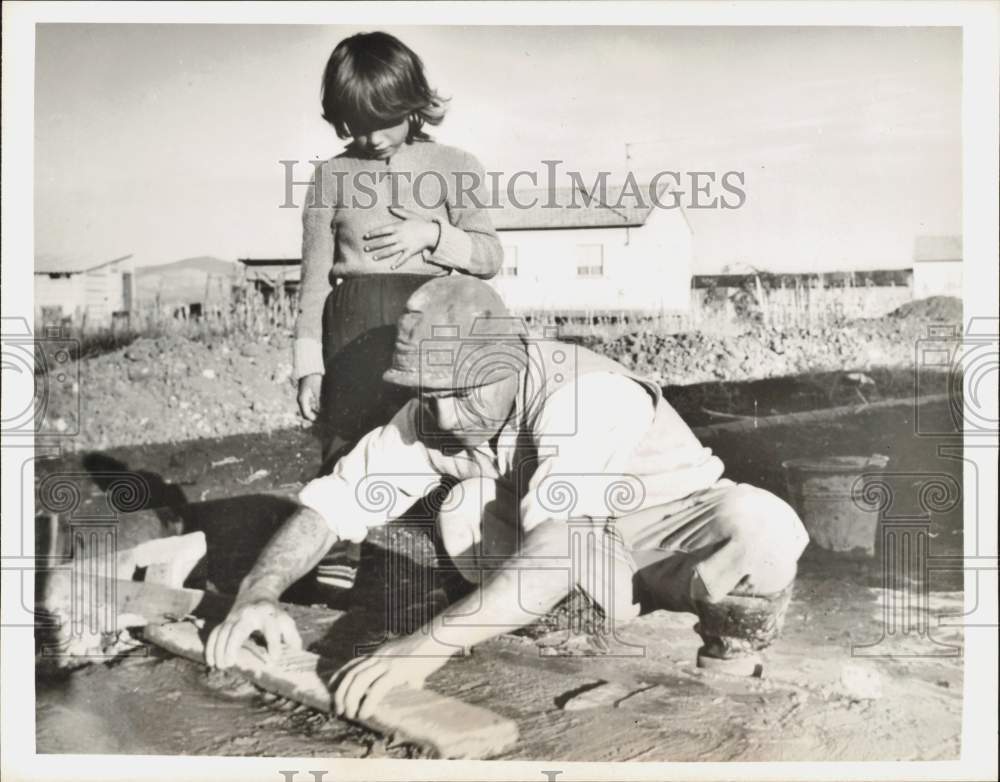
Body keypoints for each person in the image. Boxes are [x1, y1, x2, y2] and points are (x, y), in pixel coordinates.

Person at [208, 277, 809, 723]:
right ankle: (567, 658)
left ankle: (732, 665)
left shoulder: (584, 394)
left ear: (512, 359)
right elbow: (333, 505)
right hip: (583, 555)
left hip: (671, 532)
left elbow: (553, 549)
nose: (443, 415)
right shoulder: (432, 413)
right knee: (465, 505)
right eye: (428, 394)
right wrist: (257, 594)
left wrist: (427, 646)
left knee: (762, 526)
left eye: (461, 392)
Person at [294, 32, 503, 586]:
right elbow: (313, 281)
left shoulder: (455, 164)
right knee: (349, 432)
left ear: (413, 103)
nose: (370, 137)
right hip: (353, 322)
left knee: (438, 435)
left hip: (431, 320)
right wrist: (307, 364)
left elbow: (488, 255)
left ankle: (459, 551)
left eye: (383, 120)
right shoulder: (329, 176)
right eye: (353, 124)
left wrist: (433, 234)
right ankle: (341, 548)